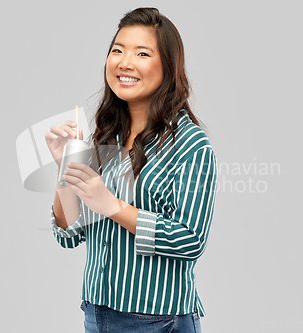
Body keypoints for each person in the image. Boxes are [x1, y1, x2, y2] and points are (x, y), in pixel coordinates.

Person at [45, 7, 217, 333]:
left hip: (158, 320)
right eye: (117, 50)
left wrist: (112, 206)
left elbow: (191, 239)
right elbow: (68, 234)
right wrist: (66, 168)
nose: (125, 62)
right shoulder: (107, 136)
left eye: (142, 53)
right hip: (97, 315)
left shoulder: (190, 143)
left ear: (168, 66)